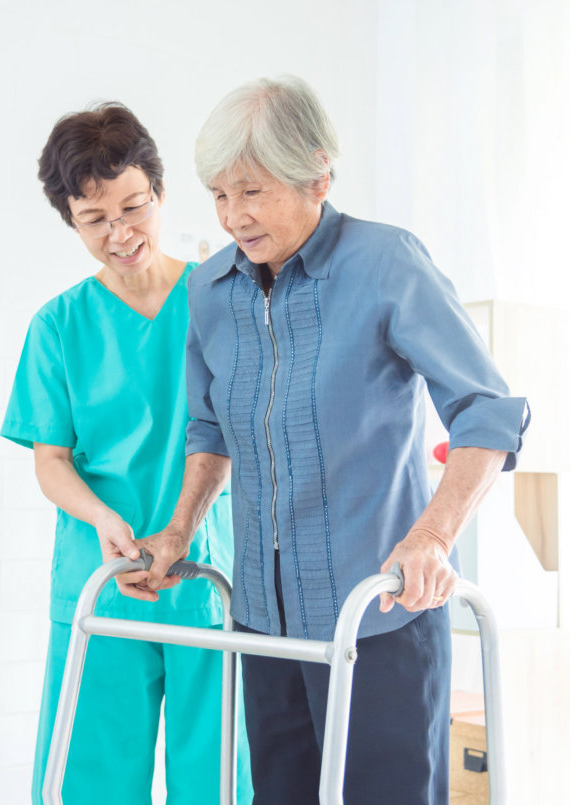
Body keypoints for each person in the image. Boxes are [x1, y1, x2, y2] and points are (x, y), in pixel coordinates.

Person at [125, 76, 530, 803]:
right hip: (263, 624)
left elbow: (488, 413)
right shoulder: (210, 289)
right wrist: (178, 529)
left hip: (377, 616)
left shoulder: (385, 264)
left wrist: (433, 536)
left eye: (251, 191)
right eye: (218, 194)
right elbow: (208, 428)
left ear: (317, 174)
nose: (232, 217)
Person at [1, 103, 252, 805]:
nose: (121, 233)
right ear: (71, 222)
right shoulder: (58, 326)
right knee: (91, 783)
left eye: (133, 207)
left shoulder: (220, 298)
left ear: (160, 193)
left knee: (220, 783)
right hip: (101, 580)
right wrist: (104, 520)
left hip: (207, 578)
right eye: (95, 220)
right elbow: (50, 459)